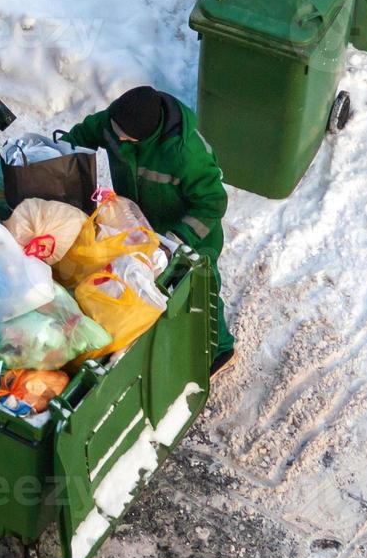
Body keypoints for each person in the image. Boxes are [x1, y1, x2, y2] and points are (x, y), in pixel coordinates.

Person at [63, 85, 237, 375]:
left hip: (189, 233)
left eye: (123, 135)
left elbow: (212, 203)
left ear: (146, 133)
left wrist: (177, 240)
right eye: (115, 130)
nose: (115, 137)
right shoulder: (117, 123)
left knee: (198, 285)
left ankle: (219, 348)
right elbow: (80, 138)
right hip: (140, 224)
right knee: (141, 283)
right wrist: (57, 160)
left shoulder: (185, 153)